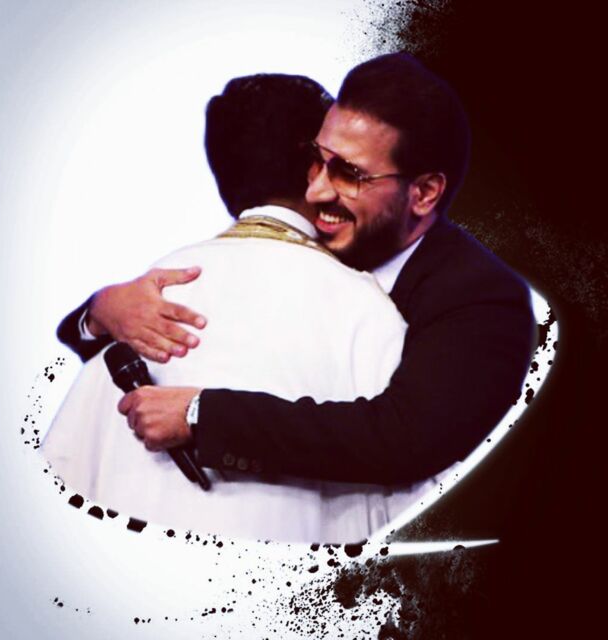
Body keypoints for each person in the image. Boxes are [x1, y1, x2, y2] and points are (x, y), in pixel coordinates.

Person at [57, 53, 535, 507]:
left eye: (349, 173)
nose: (316, 190)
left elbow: (403, 438)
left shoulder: (479, 298)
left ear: (425, 193)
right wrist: (101, 311)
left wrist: (202, 415)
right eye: (318, 159)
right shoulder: (315, 241)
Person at [43, 73, 431, 544]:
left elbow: (58, 482)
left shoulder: (142, 301)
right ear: (317, 170)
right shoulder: (366, 309)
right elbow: (413, 505)